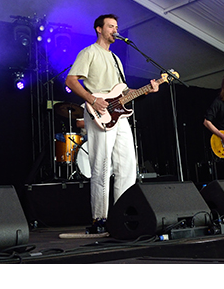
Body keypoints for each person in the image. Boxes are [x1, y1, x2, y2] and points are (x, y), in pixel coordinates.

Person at [65, 14, 159, 234]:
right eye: (111, 27)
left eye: (117, 27)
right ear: (99, 29)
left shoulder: (116, 59)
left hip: (119, 116)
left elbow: (124, 93)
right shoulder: (89, 52)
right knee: (102, 166)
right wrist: (92, 99)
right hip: (99, 112)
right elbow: (71, 80)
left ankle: (122, 214)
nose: (115, 30)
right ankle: (100, 219)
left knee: (127, 165)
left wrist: (147, 89)